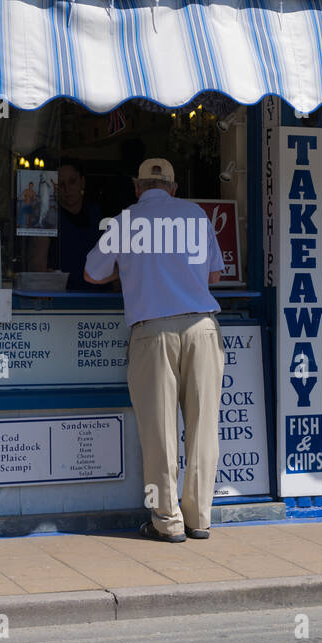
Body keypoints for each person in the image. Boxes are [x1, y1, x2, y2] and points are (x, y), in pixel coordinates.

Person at [84, 158, 225, 542]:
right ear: (174, 188)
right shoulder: (196, 216)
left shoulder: (125, 221)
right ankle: (200, 519)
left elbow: (92, 273)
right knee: (204, 427)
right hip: (202, 328)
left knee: (160, 430)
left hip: (153, 332)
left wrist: (128, 268)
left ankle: (168, 521)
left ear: (136, 187)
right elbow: (214, 275)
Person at [56, 160, 106, 291]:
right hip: (64, 298)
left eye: (72, 181)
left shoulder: (98, 214)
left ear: (82, 182)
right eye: (61, 184)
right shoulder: (49, 219)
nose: (67, 189)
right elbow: (38, 262)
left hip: (102, 297)